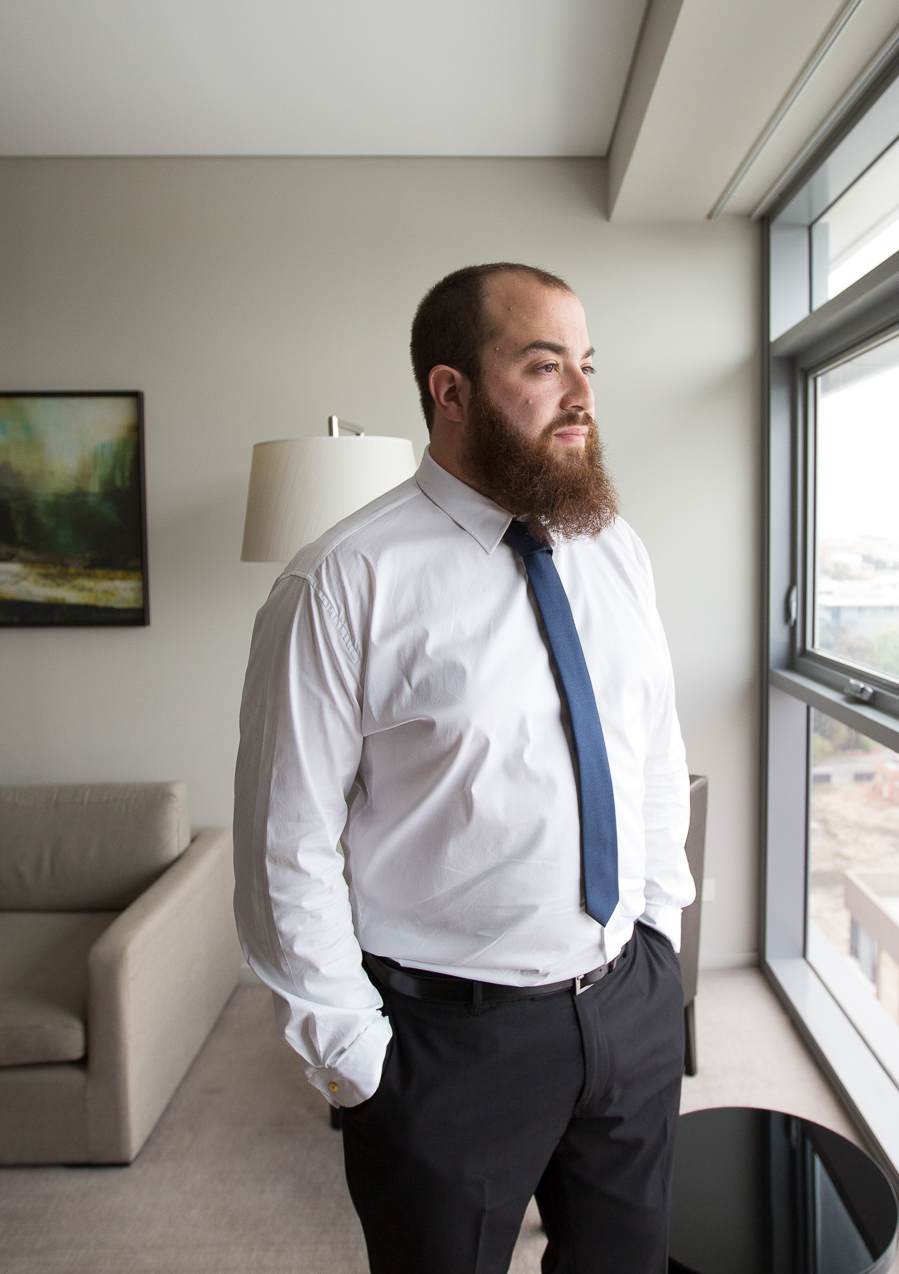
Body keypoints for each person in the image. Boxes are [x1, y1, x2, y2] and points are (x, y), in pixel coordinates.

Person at [233, 262, 695, 1274]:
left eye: (584, 365)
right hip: (448, 1046)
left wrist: (657, 935)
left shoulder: (611, 547)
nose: (579, 395)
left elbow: (651, 752)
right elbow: (284, 847)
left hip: (627, 1008)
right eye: (542, 366)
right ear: (450, 391)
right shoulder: (339, 583)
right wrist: (357, 1062)